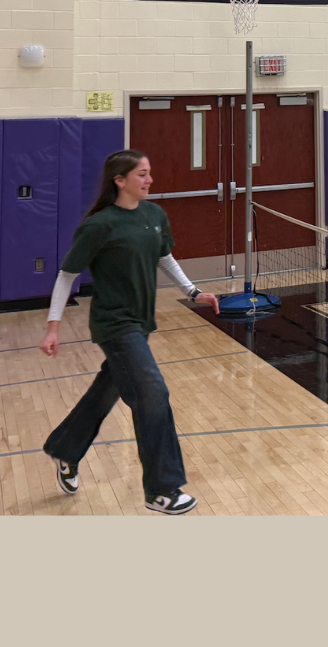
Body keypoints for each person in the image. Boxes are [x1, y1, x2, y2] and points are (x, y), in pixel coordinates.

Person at [38, 150, 220, 515]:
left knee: (110, 389)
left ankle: (65, 448)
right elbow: (66, 274)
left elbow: (163, 256)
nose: (149, 180)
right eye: (141, 174)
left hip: (141, 322)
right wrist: (53, 325)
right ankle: (162, 489)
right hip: (114, 325)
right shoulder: (100, 225)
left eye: (149, 173)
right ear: (119, 180)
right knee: (153, 393)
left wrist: (193, 292)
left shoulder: (154, 215)